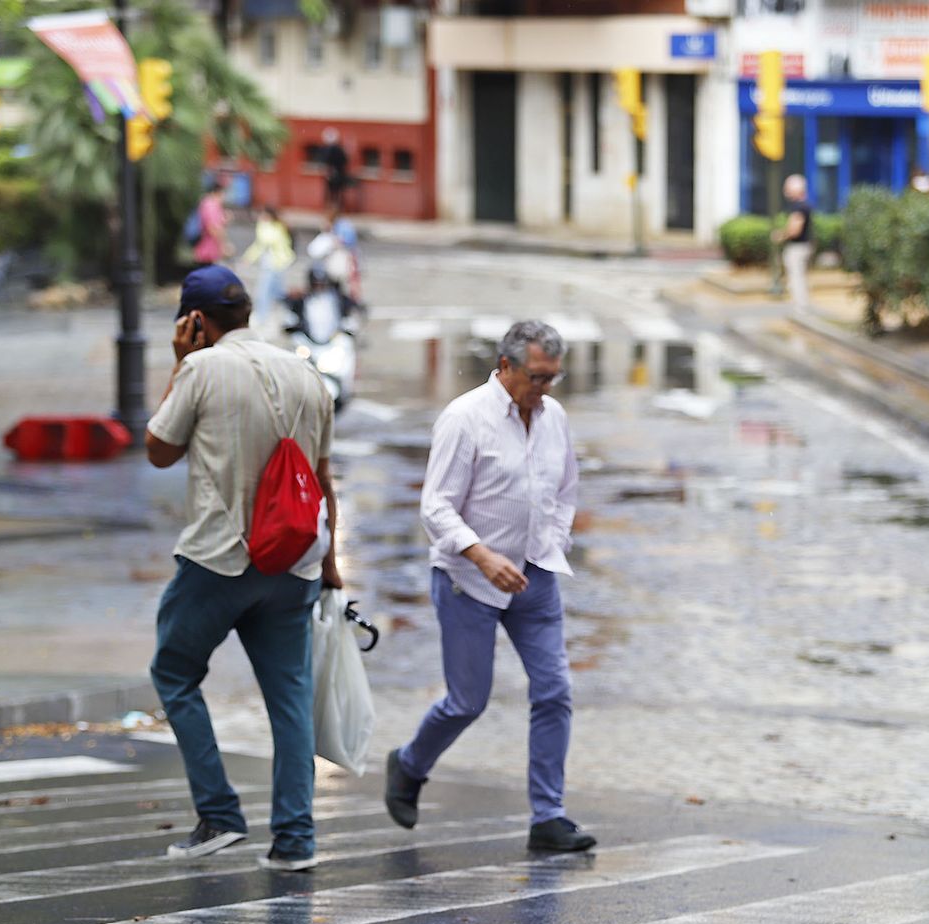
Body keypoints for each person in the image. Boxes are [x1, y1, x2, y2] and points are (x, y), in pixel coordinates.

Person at [144, 264, 343, 869]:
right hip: (295, 562)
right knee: (289, 698)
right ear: (248, 312)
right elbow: (324, 479)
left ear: (195, 321)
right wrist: (330, 566)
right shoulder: (308, 373)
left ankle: (220, 814)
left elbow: (158, 450)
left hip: (218, 558)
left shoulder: (202, 368)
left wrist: (180, 361)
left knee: (175, 673)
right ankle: (295, 841)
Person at [384, 320, 594, 853]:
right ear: (505, 366)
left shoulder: (554, 419)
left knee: (554, 692)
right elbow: (435, 507)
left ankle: (548, 816)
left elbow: (566, 488)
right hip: (467, 581)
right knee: (467, 701)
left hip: (537, 576)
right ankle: (409, 765)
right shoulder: (464, 418)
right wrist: (480, 554)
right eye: (536, 376)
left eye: (553, 377)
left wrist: (555, 539)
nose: (544, 388)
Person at [239, 205, 295, 335]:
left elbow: (266, 240)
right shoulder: (272, 226)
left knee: (273, 292)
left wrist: (262, 225)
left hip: (278, 263)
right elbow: (259, 245)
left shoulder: (276, 227)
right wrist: (248, 258)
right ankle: (263, 317)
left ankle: (277, 317)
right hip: (270, 265)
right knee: (265, 291)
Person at [772, 174, 814, 308]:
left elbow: (795, 229)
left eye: (788, 188)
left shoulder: (799, 207)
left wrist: (780, 235)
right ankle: (800, 306)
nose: (786, 191)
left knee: (797, 278)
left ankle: (801, 307)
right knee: (797, 277)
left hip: (797, 248)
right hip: (802, 246)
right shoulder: (804, 205)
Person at [191, 181, 230, 266]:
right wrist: (224, 246)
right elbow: (212, 228)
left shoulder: (210, 204)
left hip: (208, 251)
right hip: (206, 251)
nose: (224, 197)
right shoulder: (211, 205)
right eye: (223, 194)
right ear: (217, 192)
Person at [320, 128, 351, 211]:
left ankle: (332, 208)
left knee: (332, 192)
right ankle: (335, 208)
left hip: (333, 174)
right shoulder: (338, 149)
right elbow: (345, 160)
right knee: (336, 192)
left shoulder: (326, 149)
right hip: (337, 174)